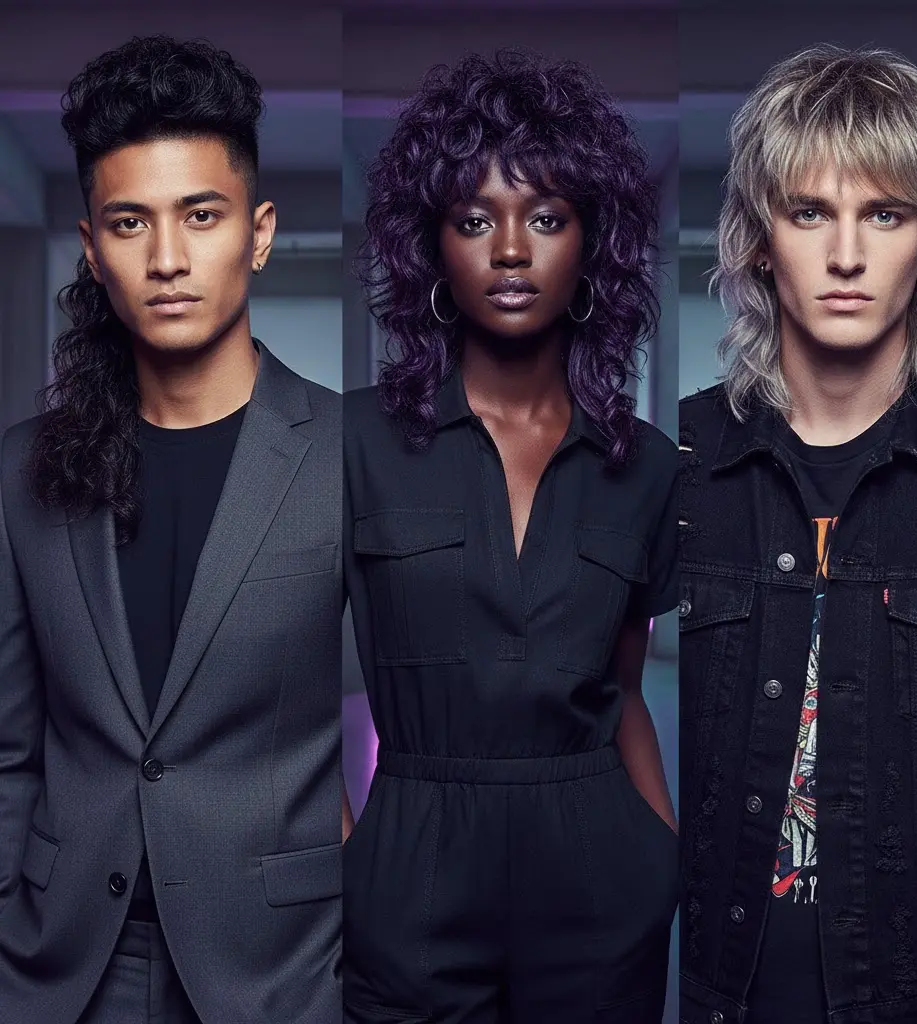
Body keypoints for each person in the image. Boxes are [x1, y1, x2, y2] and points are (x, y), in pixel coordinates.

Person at [0, 36, 343, 1024]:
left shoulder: (346, 455)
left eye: (200, 215)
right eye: (128, 222)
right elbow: (10, 743)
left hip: (282, 970)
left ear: (260, 230)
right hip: (62, 970)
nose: (166, 259)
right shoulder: (23, 472)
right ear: (92, 246)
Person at [678, 44, 917, 1024]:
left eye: (884, 213)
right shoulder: (680, 457)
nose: (844, 255)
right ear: (756, 239)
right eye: (808, 212)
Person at [341, 50, 679, 1024]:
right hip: (409, 877)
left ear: (592, 244)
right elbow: (270, 686)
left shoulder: (649, 466)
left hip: (599, 882)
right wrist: (347, 856)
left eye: (545, 217)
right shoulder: (348, 443)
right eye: (474, 218)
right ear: (432, 245)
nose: (510, 251)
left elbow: (622, 691)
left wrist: (660, 850)